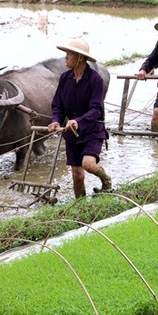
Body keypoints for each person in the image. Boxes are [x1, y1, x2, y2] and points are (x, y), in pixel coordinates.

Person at [47, 39, 111, 198]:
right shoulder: (64, 78)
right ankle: (80, 204)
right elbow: (57, 105)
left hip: (92, 130)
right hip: (71, 133)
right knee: (77, 175)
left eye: (69, 54)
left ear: (80, 58)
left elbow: (96, 109)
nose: (65, 58)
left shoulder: (95, 79)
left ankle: (106, 180)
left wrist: (79, 121)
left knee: (88, 164)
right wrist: (55, 120)